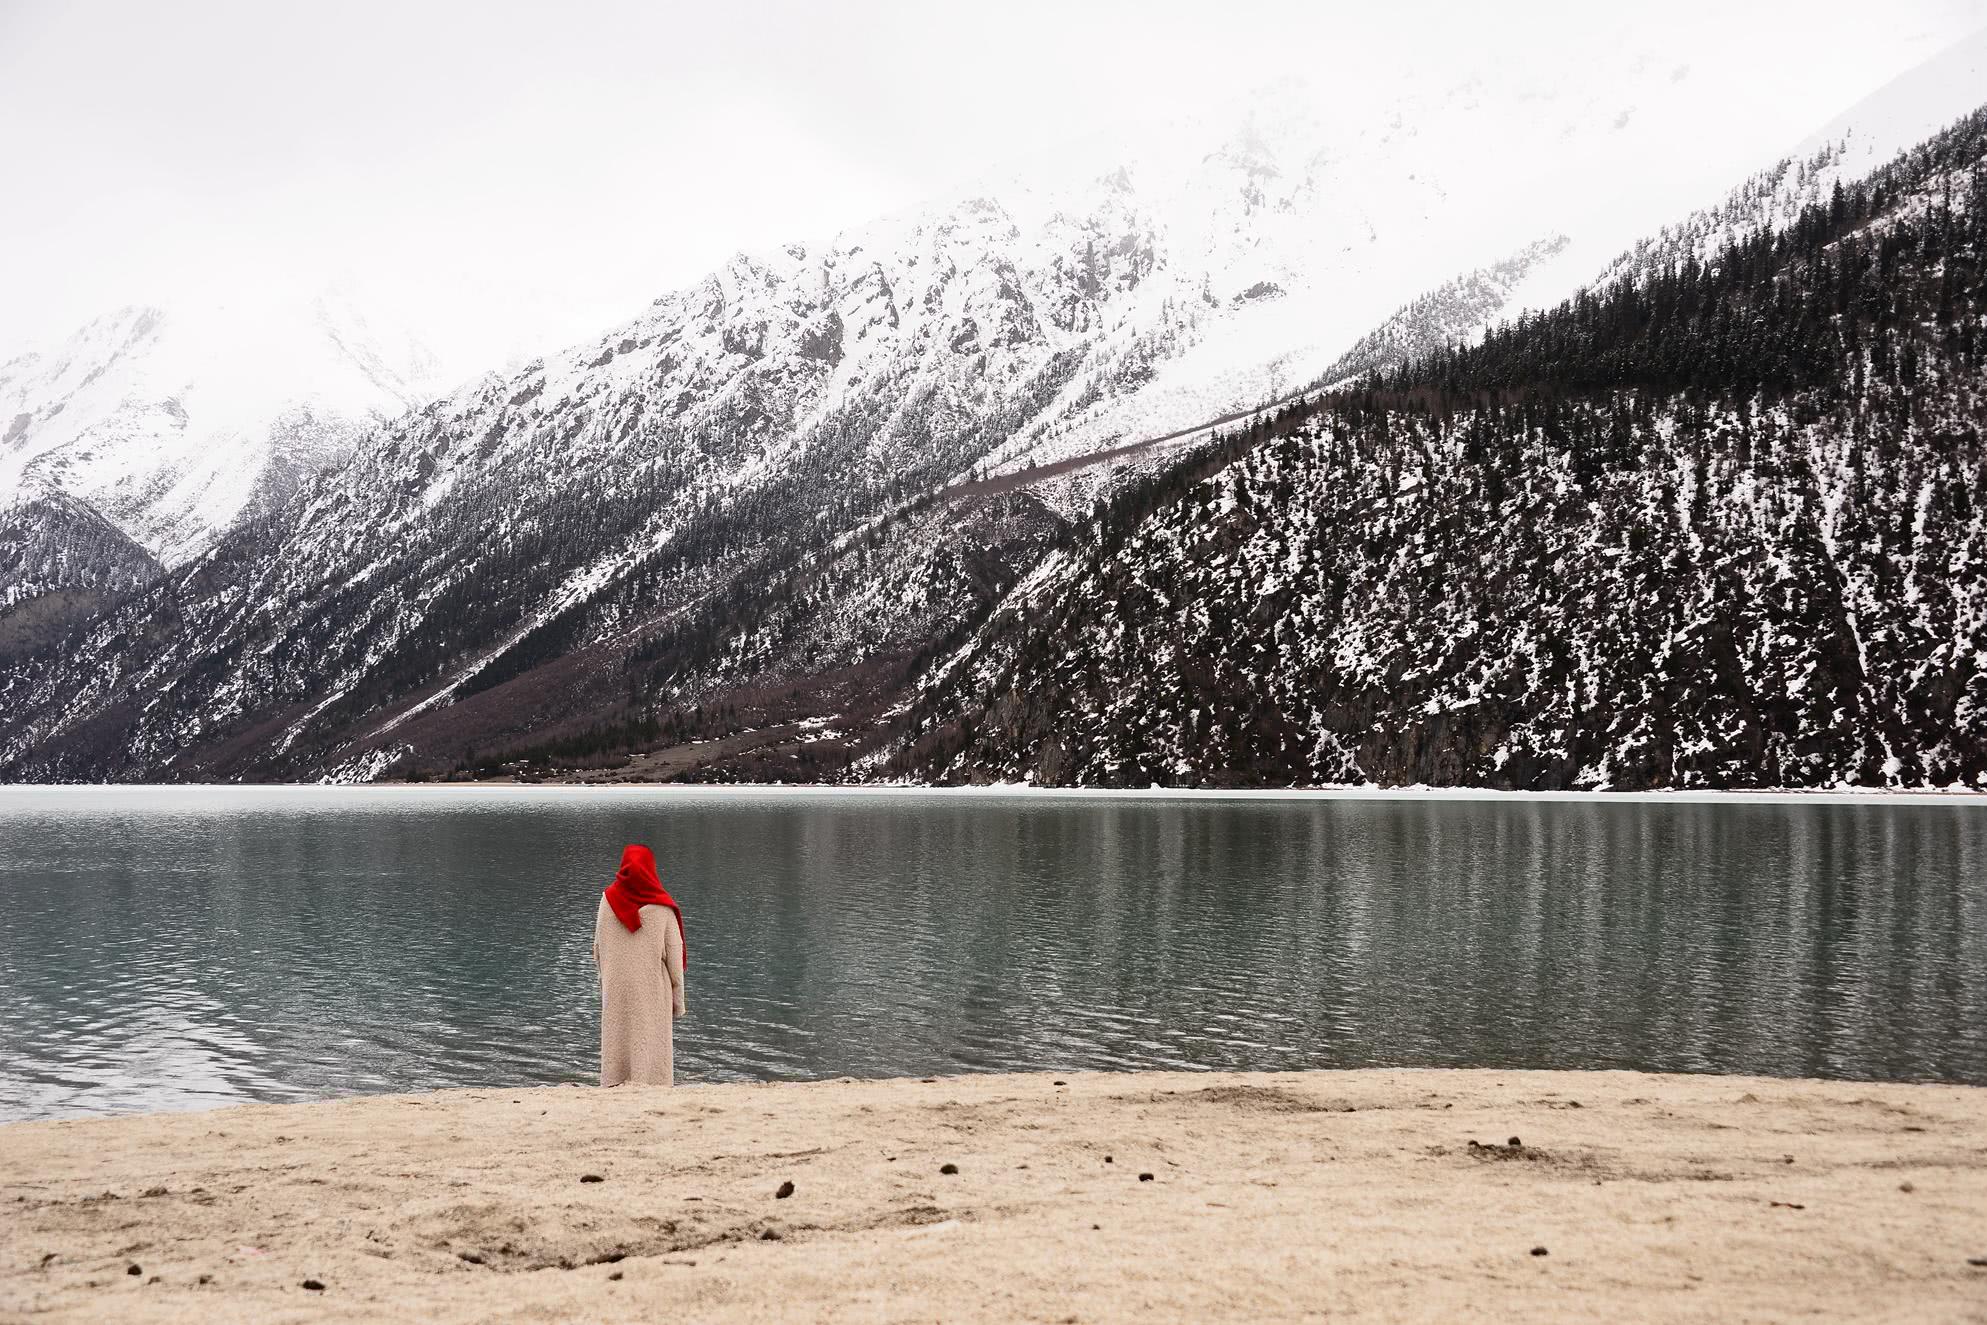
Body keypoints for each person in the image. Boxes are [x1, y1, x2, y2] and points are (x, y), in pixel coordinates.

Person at [593, 843, 687, 1086]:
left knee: (617, 1038)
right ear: (651, 869)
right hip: (651, 990)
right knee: (649, 1037)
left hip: (615, 986)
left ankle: (614, 1081)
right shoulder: (662, 908)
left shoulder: (606, 901)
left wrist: (605, 979)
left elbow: (597, 950)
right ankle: (651, 1082)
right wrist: (678, 1000)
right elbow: (675, 961)